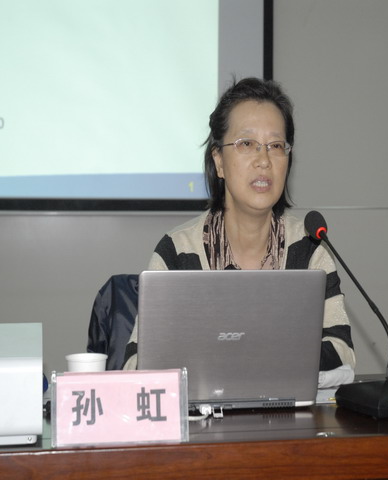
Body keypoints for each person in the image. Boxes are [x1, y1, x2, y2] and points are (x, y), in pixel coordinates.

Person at [123, 77, 355, 377]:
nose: (264, 160)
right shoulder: (178, 251)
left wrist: (246, 358)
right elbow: (136, 364)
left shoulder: (308, 249)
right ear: (219, 160)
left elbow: (342, 352)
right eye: (247, 144)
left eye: (276, 146)